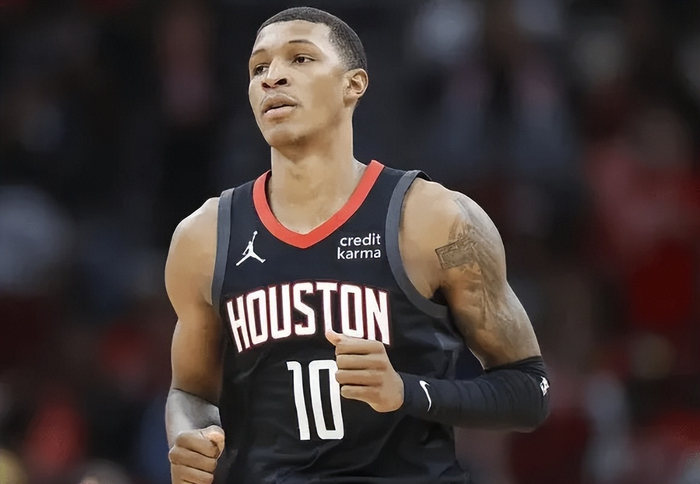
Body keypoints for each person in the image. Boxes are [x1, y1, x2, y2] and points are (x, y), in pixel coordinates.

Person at [165, 7, 550, 484]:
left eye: (300, 58)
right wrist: (189, 437)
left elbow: (529, 390)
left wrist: (406, 391)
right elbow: (190, 393)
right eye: (258, 67)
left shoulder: (435, 220)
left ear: (354, 84)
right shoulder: (203, 237)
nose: (272, 77)